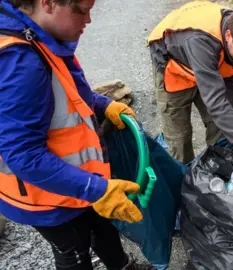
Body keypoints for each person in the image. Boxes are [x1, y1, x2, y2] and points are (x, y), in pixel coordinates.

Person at [0, 0, 153, 269]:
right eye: (81, 10)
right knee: (74, 253)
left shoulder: (38, 34)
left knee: (102, 226)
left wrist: (104, 104)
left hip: (76, 180)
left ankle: (122, 265)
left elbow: (64, 91)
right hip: (48, 196)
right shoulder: (19, 62)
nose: (89, 20)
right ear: (47, 4)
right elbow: (24, 156)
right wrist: (96, 190)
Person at [147, 1, 233, 178]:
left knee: (220, 126)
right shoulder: (201, 40)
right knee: (180, 137)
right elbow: (215, 100)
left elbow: (232, 90)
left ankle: (220, 174)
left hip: (206, 63)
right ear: (228, 35)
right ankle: (184, 183)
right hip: (173, 65)